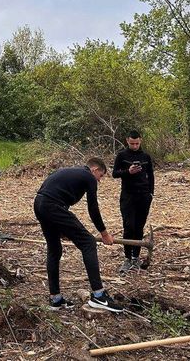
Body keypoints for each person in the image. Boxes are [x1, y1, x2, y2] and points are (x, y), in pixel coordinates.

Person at [33, 157, 123, 312]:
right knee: (88, 243)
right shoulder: (88, 176)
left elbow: (54, 192)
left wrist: (62, 229)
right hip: (53, 206)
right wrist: (104, 233)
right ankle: (98, 295)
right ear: (94, 169)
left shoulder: (72, 172)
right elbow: (93, 208)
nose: (99, 181)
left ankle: (55, 298)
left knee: (55, 250)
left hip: (40, 204)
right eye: (100, 176)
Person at [112, 130, 154, 273]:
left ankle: (136, 257)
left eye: (137, 143)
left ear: (140, 140)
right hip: (128, 196)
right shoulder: (122, 156)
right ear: (127, 141)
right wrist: (128, 172)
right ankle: (127, 258)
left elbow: (151, 176)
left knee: (139, 227)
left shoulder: (146, 156)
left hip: (143, 196)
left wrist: (151, 194)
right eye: (132, 143)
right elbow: (114, 174)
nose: (134, 146)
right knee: (128, 226)